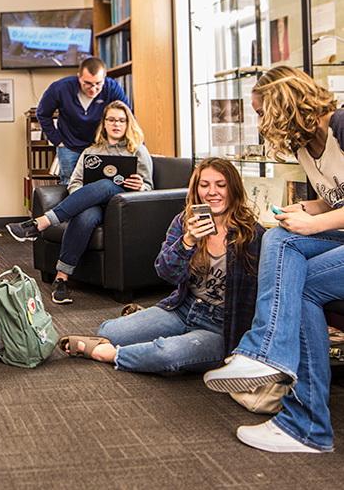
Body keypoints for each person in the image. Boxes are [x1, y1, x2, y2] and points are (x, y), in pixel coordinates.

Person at [203, 66, 344, 454]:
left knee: (294, 271)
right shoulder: (303, 145)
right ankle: (273, 365)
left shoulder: (342, 126)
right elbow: (336, 198)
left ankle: (303, 418)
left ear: (283, 104)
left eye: (262, 111)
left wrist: (313, 225)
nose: (260, 120)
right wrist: (307, 207)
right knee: (280, 239)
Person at [57, 158, 264, 376]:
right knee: (110, 330)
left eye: (221, 185)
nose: (212, 192)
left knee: (168, 354)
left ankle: (108, 354)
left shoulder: (252, 235)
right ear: (196, 189)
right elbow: (167, 274)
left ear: (233, 189)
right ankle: (149, 324)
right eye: (205, 185)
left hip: (221, 326)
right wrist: (188, 242)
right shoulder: (185, 222)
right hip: (185, 307)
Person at [6, 101, 152, 303]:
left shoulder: (137, 150)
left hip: (120, 206)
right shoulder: (91, 151)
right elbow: (74, 183)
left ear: (128, 124)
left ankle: (41, 223)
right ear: (104, 123)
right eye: (111, 120)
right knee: (85, 215)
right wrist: (84, 198)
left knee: (106, 185)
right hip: (94, 207)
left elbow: (150, 188)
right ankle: (61, 279)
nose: (116, 124)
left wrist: (140, 186)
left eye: (121, 120)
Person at [35, 56, 130, 184]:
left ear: (105, 78)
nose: (93, 89)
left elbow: (128, 117)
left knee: (100, 183)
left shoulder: (112, 87)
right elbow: (42, 114)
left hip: (100, 145)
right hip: (69, 146)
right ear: (79, 77)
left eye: (98, 84)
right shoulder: (60, 88)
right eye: (88, 84)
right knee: (70, 183)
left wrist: (140, 147)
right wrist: (57, 141)